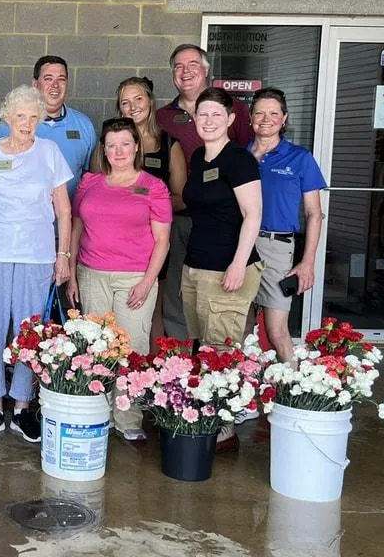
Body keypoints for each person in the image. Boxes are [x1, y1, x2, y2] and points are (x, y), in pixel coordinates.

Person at [0, 86, 73, 445]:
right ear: (7, 117)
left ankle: (23, 407)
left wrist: (63, 255)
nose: (27, 123)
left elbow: (64, 210)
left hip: (36, 256)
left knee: (29, 335)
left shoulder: (49, 152)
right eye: (20, 116)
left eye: (33, 117)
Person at [68, 117, 172, 441]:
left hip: (135, 277)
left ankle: (128, 417)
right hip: (91, 273)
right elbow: (76, 230)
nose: (119, 151)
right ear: (103, 149)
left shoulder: (153, 186)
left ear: (137, 146)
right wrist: (71, 274)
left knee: (131, 347)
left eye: (125, 144)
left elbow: (163, 241)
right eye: (111, 145)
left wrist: (147, 282)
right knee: (96, 347)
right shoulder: (89, 183)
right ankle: (99, 412)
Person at [181, 88, 263, 451]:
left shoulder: (238, 159)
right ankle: (206, 418)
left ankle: (224, 431)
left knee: (221, 351)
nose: (209, 121)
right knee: (203, 347)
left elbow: (253, 214)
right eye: (203, 114)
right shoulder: (199, 156)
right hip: (197, 267)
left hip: (228, 268)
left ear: (230, 119)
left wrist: (238, 264)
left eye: (217, 114)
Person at [157, 44, 254, 341]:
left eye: (193, 65)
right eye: (178, 66)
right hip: (186, 226)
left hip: (227, 235)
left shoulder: (238, 148)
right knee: (187, 308)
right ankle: (182, 359)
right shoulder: (167, 121)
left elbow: (252, 209)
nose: (185, 71)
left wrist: (239, 263)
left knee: (224, 327)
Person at [248, 87, 325, 363]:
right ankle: (241, 388)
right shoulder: (239, 155)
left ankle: (292, 386)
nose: (266, 119)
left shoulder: (300, 157)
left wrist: (308, 262)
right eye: (259, 113)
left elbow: (314, 214)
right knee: (237, 329)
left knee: (276, 330)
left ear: (284, 118)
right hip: (239, 245)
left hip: (277, 248)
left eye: (273, 113)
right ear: (250, 117)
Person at [110, 77, 187, 344]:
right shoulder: (109, 143)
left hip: (155, 240)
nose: (133, 107)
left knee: (152, 307)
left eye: (138, 99)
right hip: (116, 241)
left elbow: (182, 198)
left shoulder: (168, 144)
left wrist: (148, 206)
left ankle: (149, 366)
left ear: (150, 102)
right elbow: (99, 191)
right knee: (114, 310)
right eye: (125, 102)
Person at [0, 55, 96, 199]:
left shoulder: (84, 125)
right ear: (35, 84)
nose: (55, 85)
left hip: (68, 212)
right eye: (48, 79)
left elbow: (89, 178)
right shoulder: (10, 125)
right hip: (23, 212)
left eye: (61, 79)